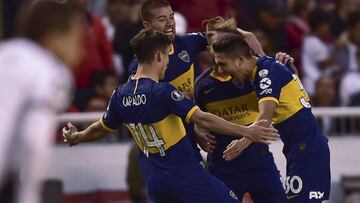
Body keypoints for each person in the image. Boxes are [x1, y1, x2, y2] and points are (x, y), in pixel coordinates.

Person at [63, 29, 279, 203]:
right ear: (159, 55)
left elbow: (102, 127)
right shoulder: (161, 91)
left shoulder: (120, 95)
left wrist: (78, 136)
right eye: (167, 55)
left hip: (156, 185)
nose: (168, 62)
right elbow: (203, 118)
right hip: (187, 179)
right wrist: (246, 130)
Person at [128, 0, 264, 163]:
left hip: (190, 138)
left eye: (171, 17)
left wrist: (243, 34)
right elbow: (143, 107)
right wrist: (174, 101)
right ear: (147, 25)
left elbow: (217, 34)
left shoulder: (185, 43)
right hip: (167, 148)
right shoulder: (141, 65)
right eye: (162, 19)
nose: (169, 24)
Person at [212, 33, 331, 202]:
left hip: (307, 150)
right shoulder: (269, 66)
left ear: (239, 60)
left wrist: (242, 142)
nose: (221, 70)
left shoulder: (265, 74)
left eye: (222, 64)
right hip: (299, 149)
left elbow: (265, 117)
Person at [0, 1, 85, 203]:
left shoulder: (6, 52)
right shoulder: (47, 69)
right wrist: (28, 195)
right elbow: (33, 140)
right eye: (77, 41)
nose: (81, 52)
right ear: (55, 38)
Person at [194, 18, 286, 203]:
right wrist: (198, 133)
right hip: (222, 166)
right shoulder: (203, 85)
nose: (223, 47)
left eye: (228, 42)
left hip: (259, 162)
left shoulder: (256, 75)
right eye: (217, 44)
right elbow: (198, 119)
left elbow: (285, 90)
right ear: (210, 49)